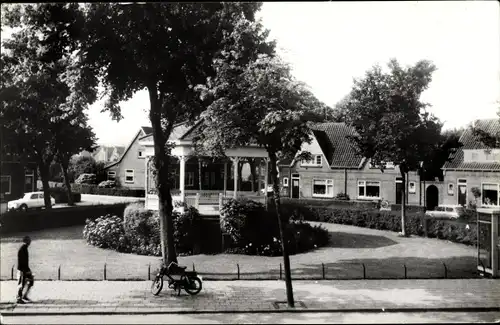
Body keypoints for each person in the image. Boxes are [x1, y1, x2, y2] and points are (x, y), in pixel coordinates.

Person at [16, 236, 34, 304]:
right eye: (29, 240)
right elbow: (22, 262)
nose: (30, 242)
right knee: (21, 284)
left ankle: (24, 295)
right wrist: (26, 271)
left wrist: (28, 270)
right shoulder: (22, 249)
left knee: (31, 281)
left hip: (25, 269)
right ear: (26, 241)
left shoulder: (25, 248)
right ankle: (19, 298)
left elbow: (25, 262)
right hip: (22, 270)